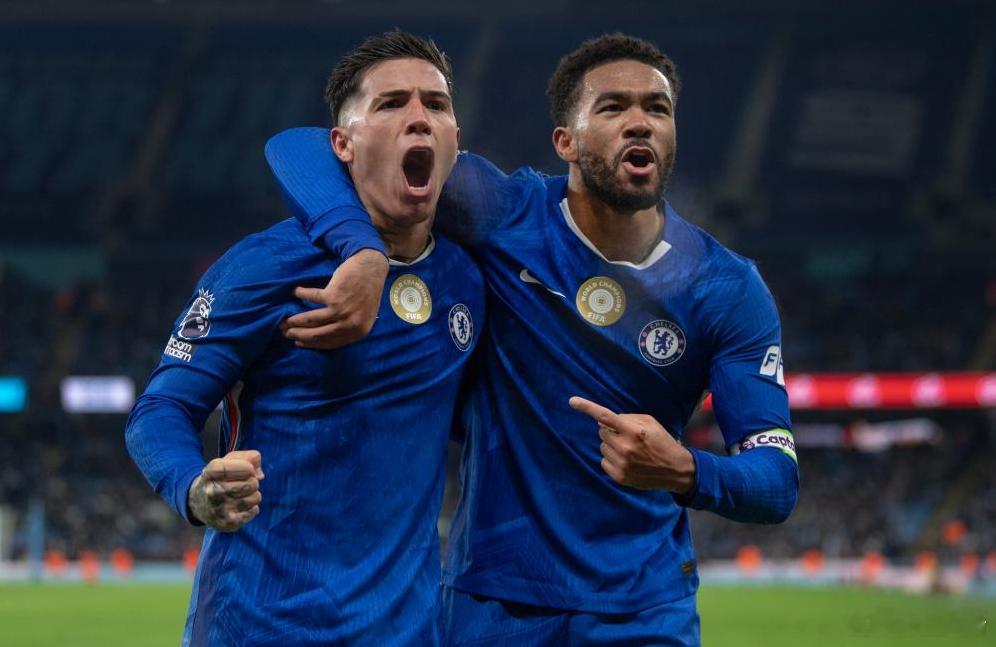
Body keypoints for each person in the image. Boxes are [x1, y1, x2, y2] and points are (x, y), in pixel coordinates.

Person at [269, 33, 798, 646]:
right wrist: (361, 251)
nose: (640, 123)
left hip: (644, 612)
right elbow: (301, 147)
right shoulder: (505, 213)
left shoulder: (726, 288)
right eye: (613, 107)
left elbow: (776, 480)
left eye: (657, 108)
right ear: (565, 142)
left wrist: (686, 471)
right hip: (495, 604)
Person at [125, 31, 484, 646]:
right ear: (341, 144)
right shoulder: (266, 265)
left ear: (455, 139)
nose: (419, 117)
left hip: (407, 631)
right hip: (260, 623)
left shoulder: (467, 280)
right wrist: (194, 488)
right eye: (391, 103)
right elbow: (159, 411)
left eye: (436, 104)